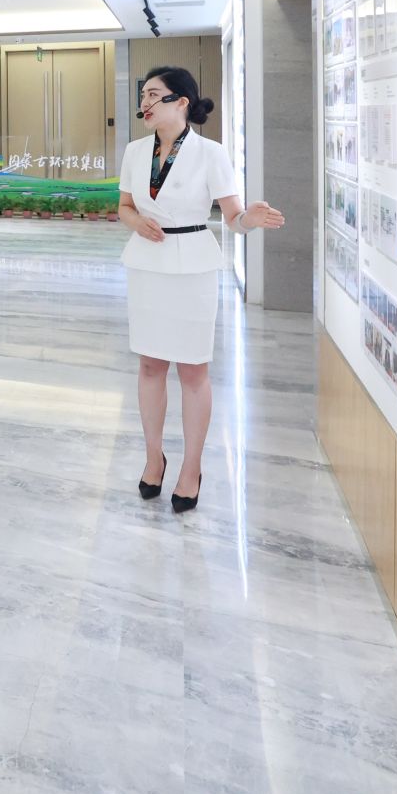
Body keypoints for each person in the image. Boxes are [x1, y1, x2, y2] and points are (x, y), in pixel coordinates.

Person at [118, 66, 283, 514]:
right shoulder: (135, 151)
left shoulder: (211, 153)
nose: (145, 104)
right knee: (150, 365)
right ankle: (154, 457)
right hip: (146, 263)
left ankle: (191, 468)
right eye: (143, 95)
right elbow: (125, 206)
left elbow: (233, 218)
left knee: (192, 371)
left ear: (181, 102)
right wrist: (137, 223)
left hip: (192, 265)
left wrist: (250, 218)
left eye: (154, 95)